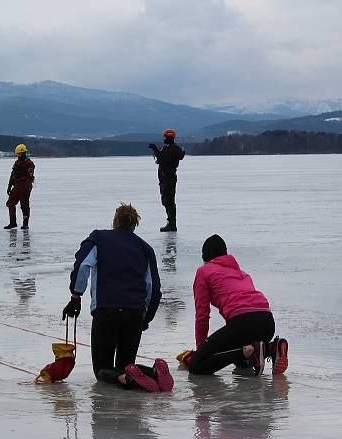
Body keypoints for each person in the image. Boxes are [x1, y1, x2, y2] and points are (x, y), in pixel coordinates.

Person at [62, 203, 172, 392]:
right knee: (126, 366)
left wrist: (75, 296)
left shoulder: (99, 239)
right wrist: (145, 318)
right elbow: (153, 288)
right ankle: (154, 372)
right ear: (134, 225)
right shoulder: (145, 248)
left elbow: (83, 265)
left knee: (102, 370)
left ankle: (132, 376)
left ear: (115, 222)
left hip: (106, 312)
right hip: (134, 314)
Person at [183, 234, 288, 376]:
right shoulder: (242, 273)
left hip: (243, 323)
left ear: (205, 258)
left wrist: (201, 349)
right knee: (243, 363)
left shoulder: (204, 271)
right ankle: (270, 348)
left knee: (196, 366)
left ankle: (250, 351)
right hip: (268, 323)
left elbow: (202, 314)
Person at [149, 128, 185, 232]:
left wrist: (156, 150)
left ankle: (172, 224)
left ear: (167, 137)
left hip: (168, 179)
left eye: (164, 137)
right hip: (166, 178)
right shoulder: (172, 148)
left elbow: (164, 159)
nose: (163, 139)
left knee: (169, 201)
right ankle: (171, 223)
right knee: (166, 201)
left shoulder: (172, 149)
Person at [4, 143, 35, 230]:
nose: (18, 155)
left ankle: (25, 224)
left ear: (24, 153)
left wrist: (27, 187)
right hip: (16, 186)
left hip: (24, 186)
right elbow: (12, 175)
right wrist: (9, 186)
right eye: (17, 154)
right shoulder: (17, 163)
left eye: (19, 154)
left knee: (24, 205)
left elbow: (30, 176)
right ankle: (13, 223)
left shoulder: (29, 163)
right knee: (10, 203)